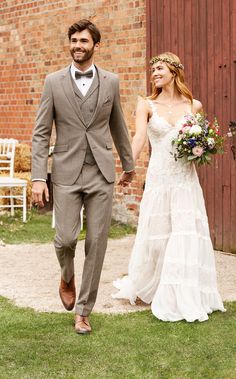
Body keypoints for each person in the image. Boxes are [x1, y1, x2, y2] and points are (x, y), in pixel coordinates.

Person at [31, 19, 135, 334]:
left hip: (101, 171)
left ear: (95, 45)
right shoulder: (53, 82)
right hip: (65, 171)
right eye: (74, 40)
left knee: (97, 242)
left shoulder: (112, 81)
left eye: (84, 41)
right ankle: (66, 274)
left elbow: (118, 124)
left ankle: (83, 311)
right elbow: (40, 132)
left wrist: (128, 165)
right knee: (65, 239)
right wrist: (38, 177)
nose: (78, 45)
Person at [113, 52, 225, 322]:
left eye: (160, 68)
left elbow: (200, 138)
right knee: (159, 233)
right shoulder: (146, 104)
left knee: (185, 233)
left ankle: (184, 293)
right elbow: (139, 137)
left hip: (185, 179)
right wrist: (128, 166)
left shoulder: (193, 105)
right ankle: (149, 286)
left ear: (174, 72)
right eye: (153, 70)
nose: (154, 74)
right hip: (160, 178)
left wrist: (201, 148)